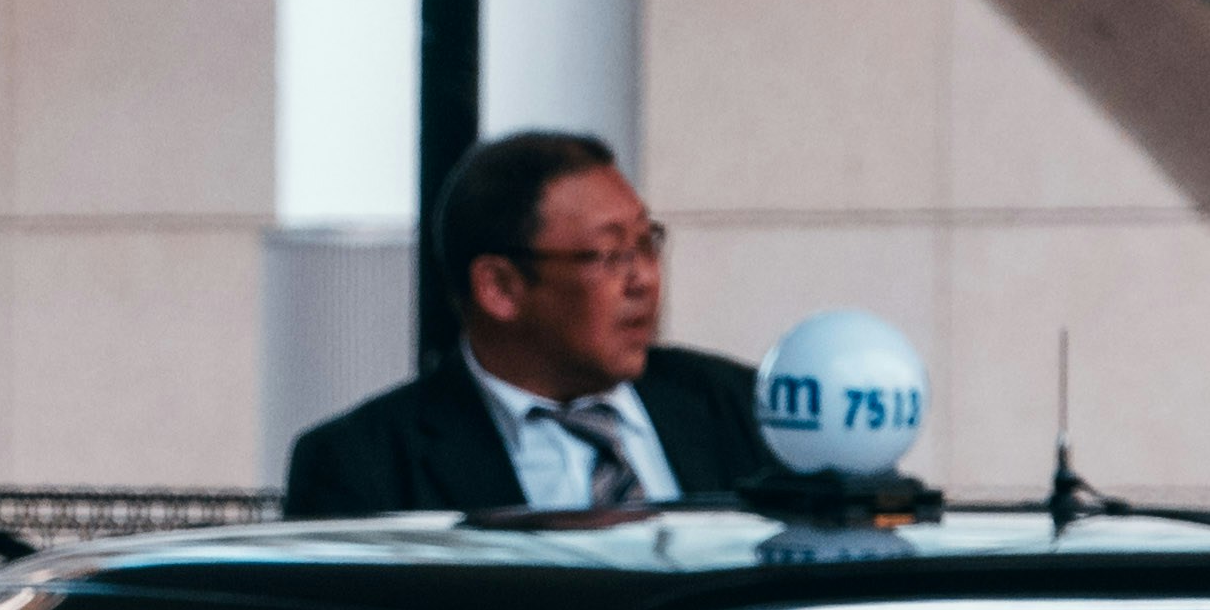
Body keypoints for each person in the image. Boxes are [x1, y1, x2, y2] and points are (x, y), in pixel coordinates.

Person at [282, 132, 815, 519]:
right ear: (500, 287)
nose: (645, 279)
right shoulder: (364, 467)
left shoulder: (748, 409)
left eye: (647, 243)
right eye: (610, 254)